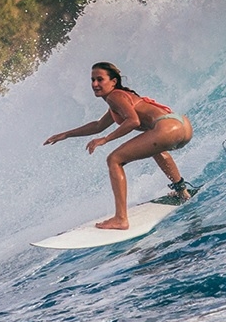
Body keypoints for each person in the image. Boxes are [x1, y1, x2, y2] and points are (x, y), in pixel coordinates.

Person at [44, 61, 193, 230]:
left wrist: (105, 139)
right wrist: (66, 134)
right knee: (154, 148)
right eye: (92, 80)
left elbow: (133, 121)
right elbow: (98, 125)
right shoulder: (118, 100)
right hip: (181, 126)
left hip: (167, 127)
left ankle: (121, 218)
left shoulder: (115, 96)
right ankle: (182, 191)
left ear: (113, 81)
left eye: (100, 79)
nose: (95, 84)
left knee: (114, 159)